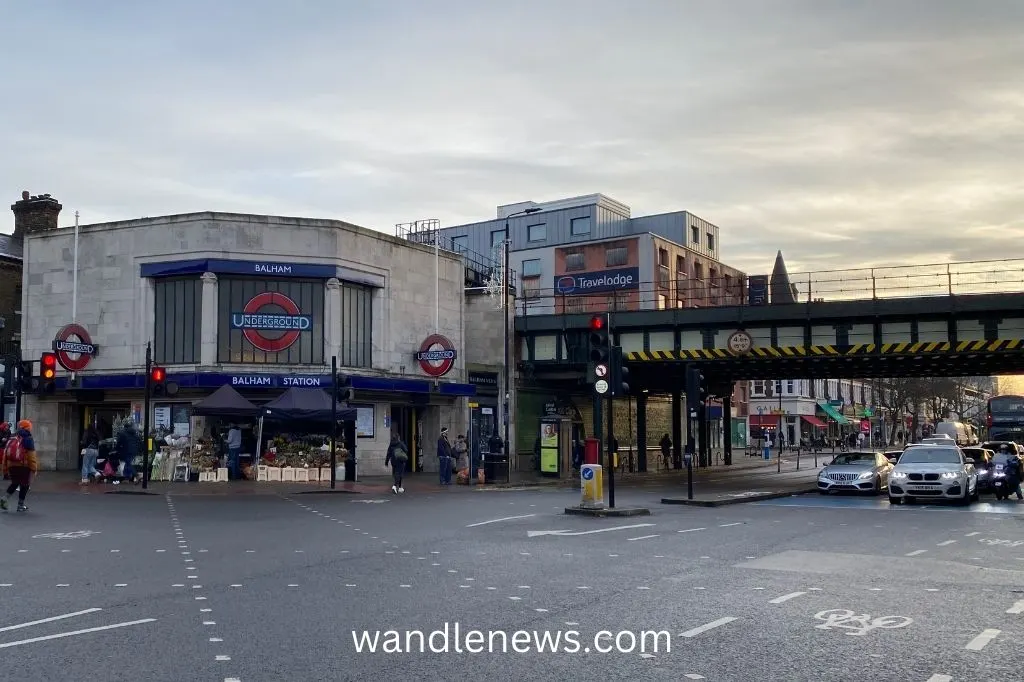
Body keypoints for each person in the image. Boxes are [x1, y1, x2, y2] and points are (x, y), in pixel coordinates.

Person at [2, 419, 38, 512]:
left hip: (12, 466)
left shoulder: (13, 437)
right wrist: (34, 468)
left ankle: (4, 498)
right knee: (25, 484)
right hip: (23, 466)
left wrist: (5, 468)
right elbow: (31, 455)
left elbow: (6, 453)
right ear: (28, 428)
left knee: (15, 482)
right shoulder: (28, 438)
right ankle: (20, 505)